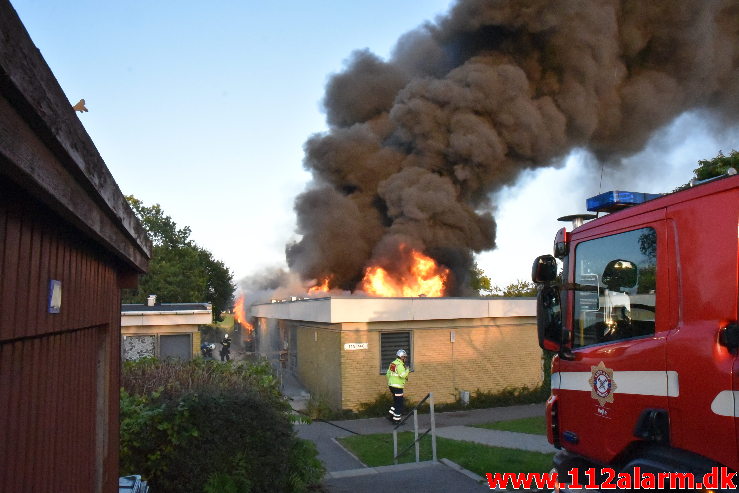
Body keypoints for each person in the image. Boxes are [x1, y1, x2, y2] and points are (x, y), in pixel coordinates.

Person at [386, 349, 410, 422]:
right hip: (398, 387)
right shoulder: (400, 365)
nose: (405, 358)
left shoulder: (393, 363)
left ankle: (391, 415)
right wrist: (407, 370)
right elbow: (402, 375)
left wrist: (391, 382)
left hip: (391, 386)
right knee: (399, 403)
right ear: (401, 357)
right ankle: (396, 420)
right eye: (404, 357)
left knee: (396, 401)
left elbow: (387, 374)